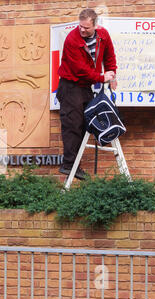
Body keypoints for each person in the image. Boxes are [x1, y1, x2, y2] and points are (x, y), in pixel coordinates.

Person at [56, 8, 118, 180]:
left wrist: (112, 75)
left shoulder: (103, 35)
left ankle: (74, 165)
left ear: (95, 26)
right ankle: (69, 166)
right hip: (70, 86)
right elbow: (80, 70)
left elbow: (110, 56)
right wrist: (101, 77)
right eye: (80, 26)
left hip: (85, 87)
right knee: (72, 125)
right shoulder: (72, 40)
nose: (82, 30)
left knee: (86, 124)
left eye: (86, 28)